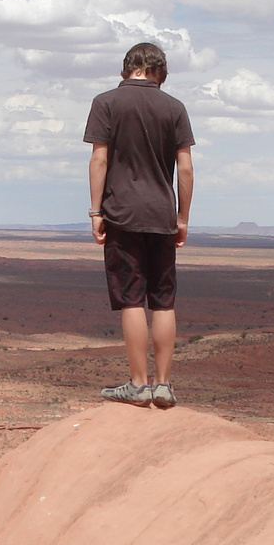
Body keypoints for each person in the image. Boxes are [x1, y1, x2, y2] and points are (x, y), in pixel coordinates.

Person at [84, 41, 194, 409]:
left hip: (122, 214)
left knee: (131, 298)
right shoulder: (175, 107)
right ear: (160, 72)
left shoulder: (106, 103)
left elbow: (99, 160)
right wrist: (182, 217)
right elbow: (186, 168)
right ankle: (163, 385)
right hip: (162, 215)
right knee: (163, 301)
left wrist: (96, 211)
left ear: (126, 69)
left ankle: (138, 384)